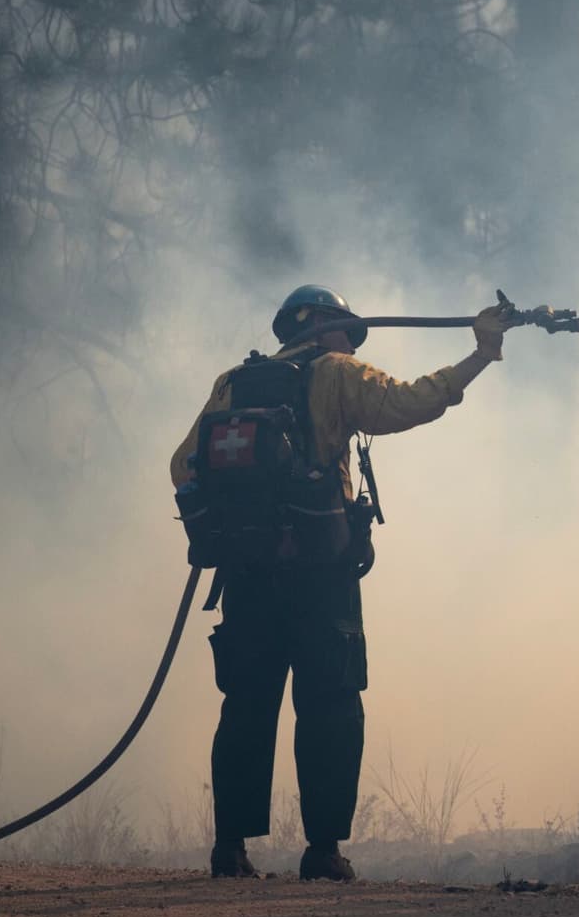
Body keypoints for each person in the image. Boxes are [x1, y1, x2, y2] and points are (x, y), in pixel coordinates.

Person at [170, 285, 509, 881]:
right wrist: (480, 354)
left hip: (245, 573)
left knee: (246, 705)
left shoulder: (231, 383)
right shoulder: (335, 372)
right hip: (318, 572)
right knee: (330, 705)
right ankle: (322, 852)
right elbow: (409, 403)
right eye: (344, 331)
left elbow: (182, 464)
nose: (349, 341)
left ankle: (230, 850)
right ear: (328, 326)